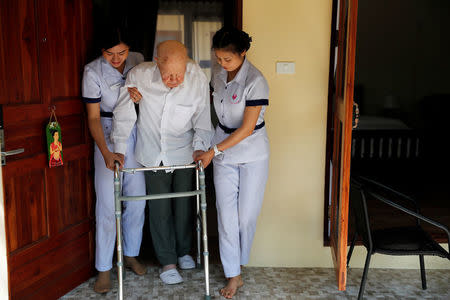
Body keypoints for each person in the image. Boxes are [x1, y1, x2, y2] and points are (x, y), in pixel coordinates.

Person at [111, 40, 213, 285]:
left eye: (179, 75)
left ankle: (183, 251)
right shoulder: (140, 76)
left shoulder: (196, 77)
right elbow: (124, 115)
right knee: (159, 209)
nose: (175, 80)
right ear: (156, 63)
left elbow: (202, 117)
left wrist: (200, 147)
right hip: (152, 151)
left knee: (184, 204)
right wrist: (119, 150)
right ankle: (167, 260)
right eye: (169, 76)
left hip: (184, 151)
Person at [195, 27, 270, 299]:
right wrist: (207, 146)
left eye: (228, 59)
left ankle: (238, 261)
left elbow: (247, 128)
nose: (222, 64)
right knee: (226, 217)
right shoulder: (217, 76)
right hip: (223, 152)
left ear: (242, 53)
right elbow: (212, 115)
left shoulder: (256, 80)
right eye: (218, 58)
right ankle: (233, 276)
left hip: (251, 153)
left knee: (245, 216)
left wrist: (213, 151)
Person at [81, 27, 147, 294]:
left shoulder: (139, 60)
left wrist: (141, 99)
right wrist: (106, 152)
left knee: (138, 199)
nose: (117, 58)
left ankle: (130, 254)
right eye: (110, 53)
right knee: (108, 205)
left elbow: (154, 93)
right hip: (107, 134)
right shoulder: (92, 71)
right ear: (101, 51)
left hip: (136, 131)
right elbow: (94, 117)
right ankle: (104, 269)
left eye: (122, 52)